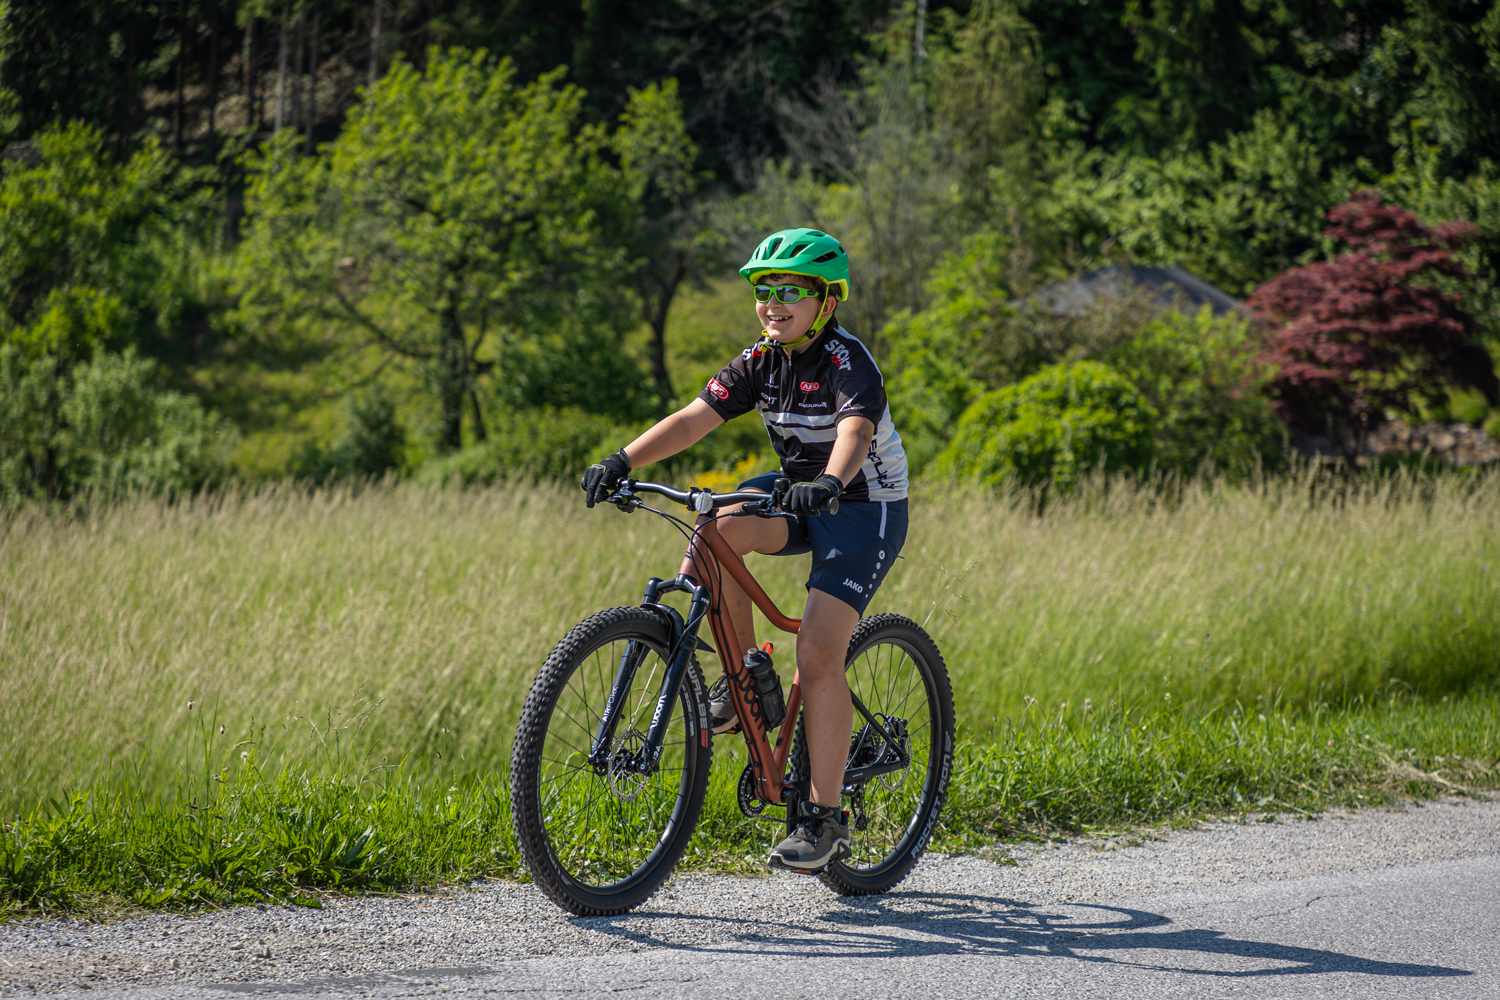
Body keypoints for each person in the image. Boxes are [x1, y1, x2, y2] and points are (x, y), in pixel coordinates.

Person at [581, 228, 909, 872]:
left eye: (790, 291)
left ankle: (824, 817)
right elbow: (692, 417)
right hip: (799, 494)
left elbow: (854, 431)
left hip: (862, 506)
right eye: (765, 291)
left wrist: (830, 483)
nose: (773, 302)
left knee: (817, 654)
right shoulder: (759, 360)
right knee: (711, 532)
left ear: (826, 301)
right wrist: (622, 458)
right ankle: (747, 679)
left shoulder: (848, 362)